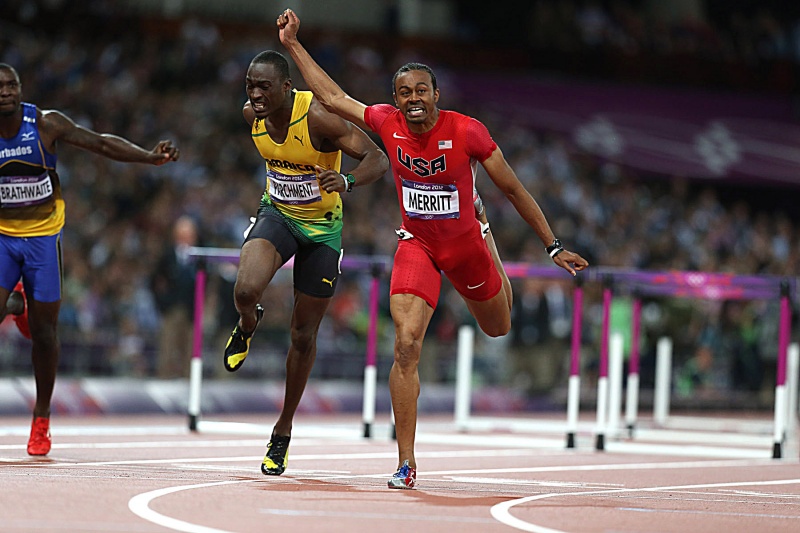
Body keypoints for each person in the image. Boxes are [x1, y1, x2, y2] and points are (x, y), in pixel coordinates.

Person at [277, 9, 589, 489]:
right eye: (404, 93)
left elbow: (514, 189)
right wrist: (293, 44)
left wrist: (553, 246)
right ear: (396, 100)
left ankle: (487, 237)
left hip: (466, 248)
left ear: (436, 95)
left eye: (421, 90)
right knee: (405, 345)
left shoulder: (468, 132)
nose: (413, 99)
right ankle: (406, 463)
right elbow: (333, 97)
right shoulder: (387, 123)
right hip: (417, 244)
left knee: (499, 327)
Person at [222, 50, 389, 476]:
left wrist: (347, 180)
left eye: (264, 87)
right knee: (245, 291)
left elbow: (378, 158)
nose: (255, 95)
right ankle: (247, 325)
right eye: (250, 86)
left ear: (286, 87)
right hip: (278, 214)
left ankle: (283, 430)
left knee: (302, 335)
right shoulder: (251, 117)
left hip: (322, 232)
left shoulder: (317, 117)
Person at [0, 63, 179, 456]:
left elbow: (100, 143)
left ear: (20, 89)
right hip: (3, 238)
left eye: (11, 85)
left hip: (42, 238)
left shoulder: (44, 124)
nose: (6, 91)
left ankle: (41, 417)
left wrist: (148, 157)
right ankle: (15, 303)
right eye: (0, 87)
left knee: (44, 333)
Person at [151, 215, 199, 378]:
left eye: (190, 234)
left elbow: (205, 279)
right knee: (168, 344)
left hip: (192, 308)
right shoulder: (167, 255)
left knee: (190, 347)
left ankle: (188, 379)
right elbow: (156, 281)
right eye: (183, 234)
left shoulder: (199, 255)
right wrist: (164, 303)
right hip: (172, 308)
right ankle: (165, 378)